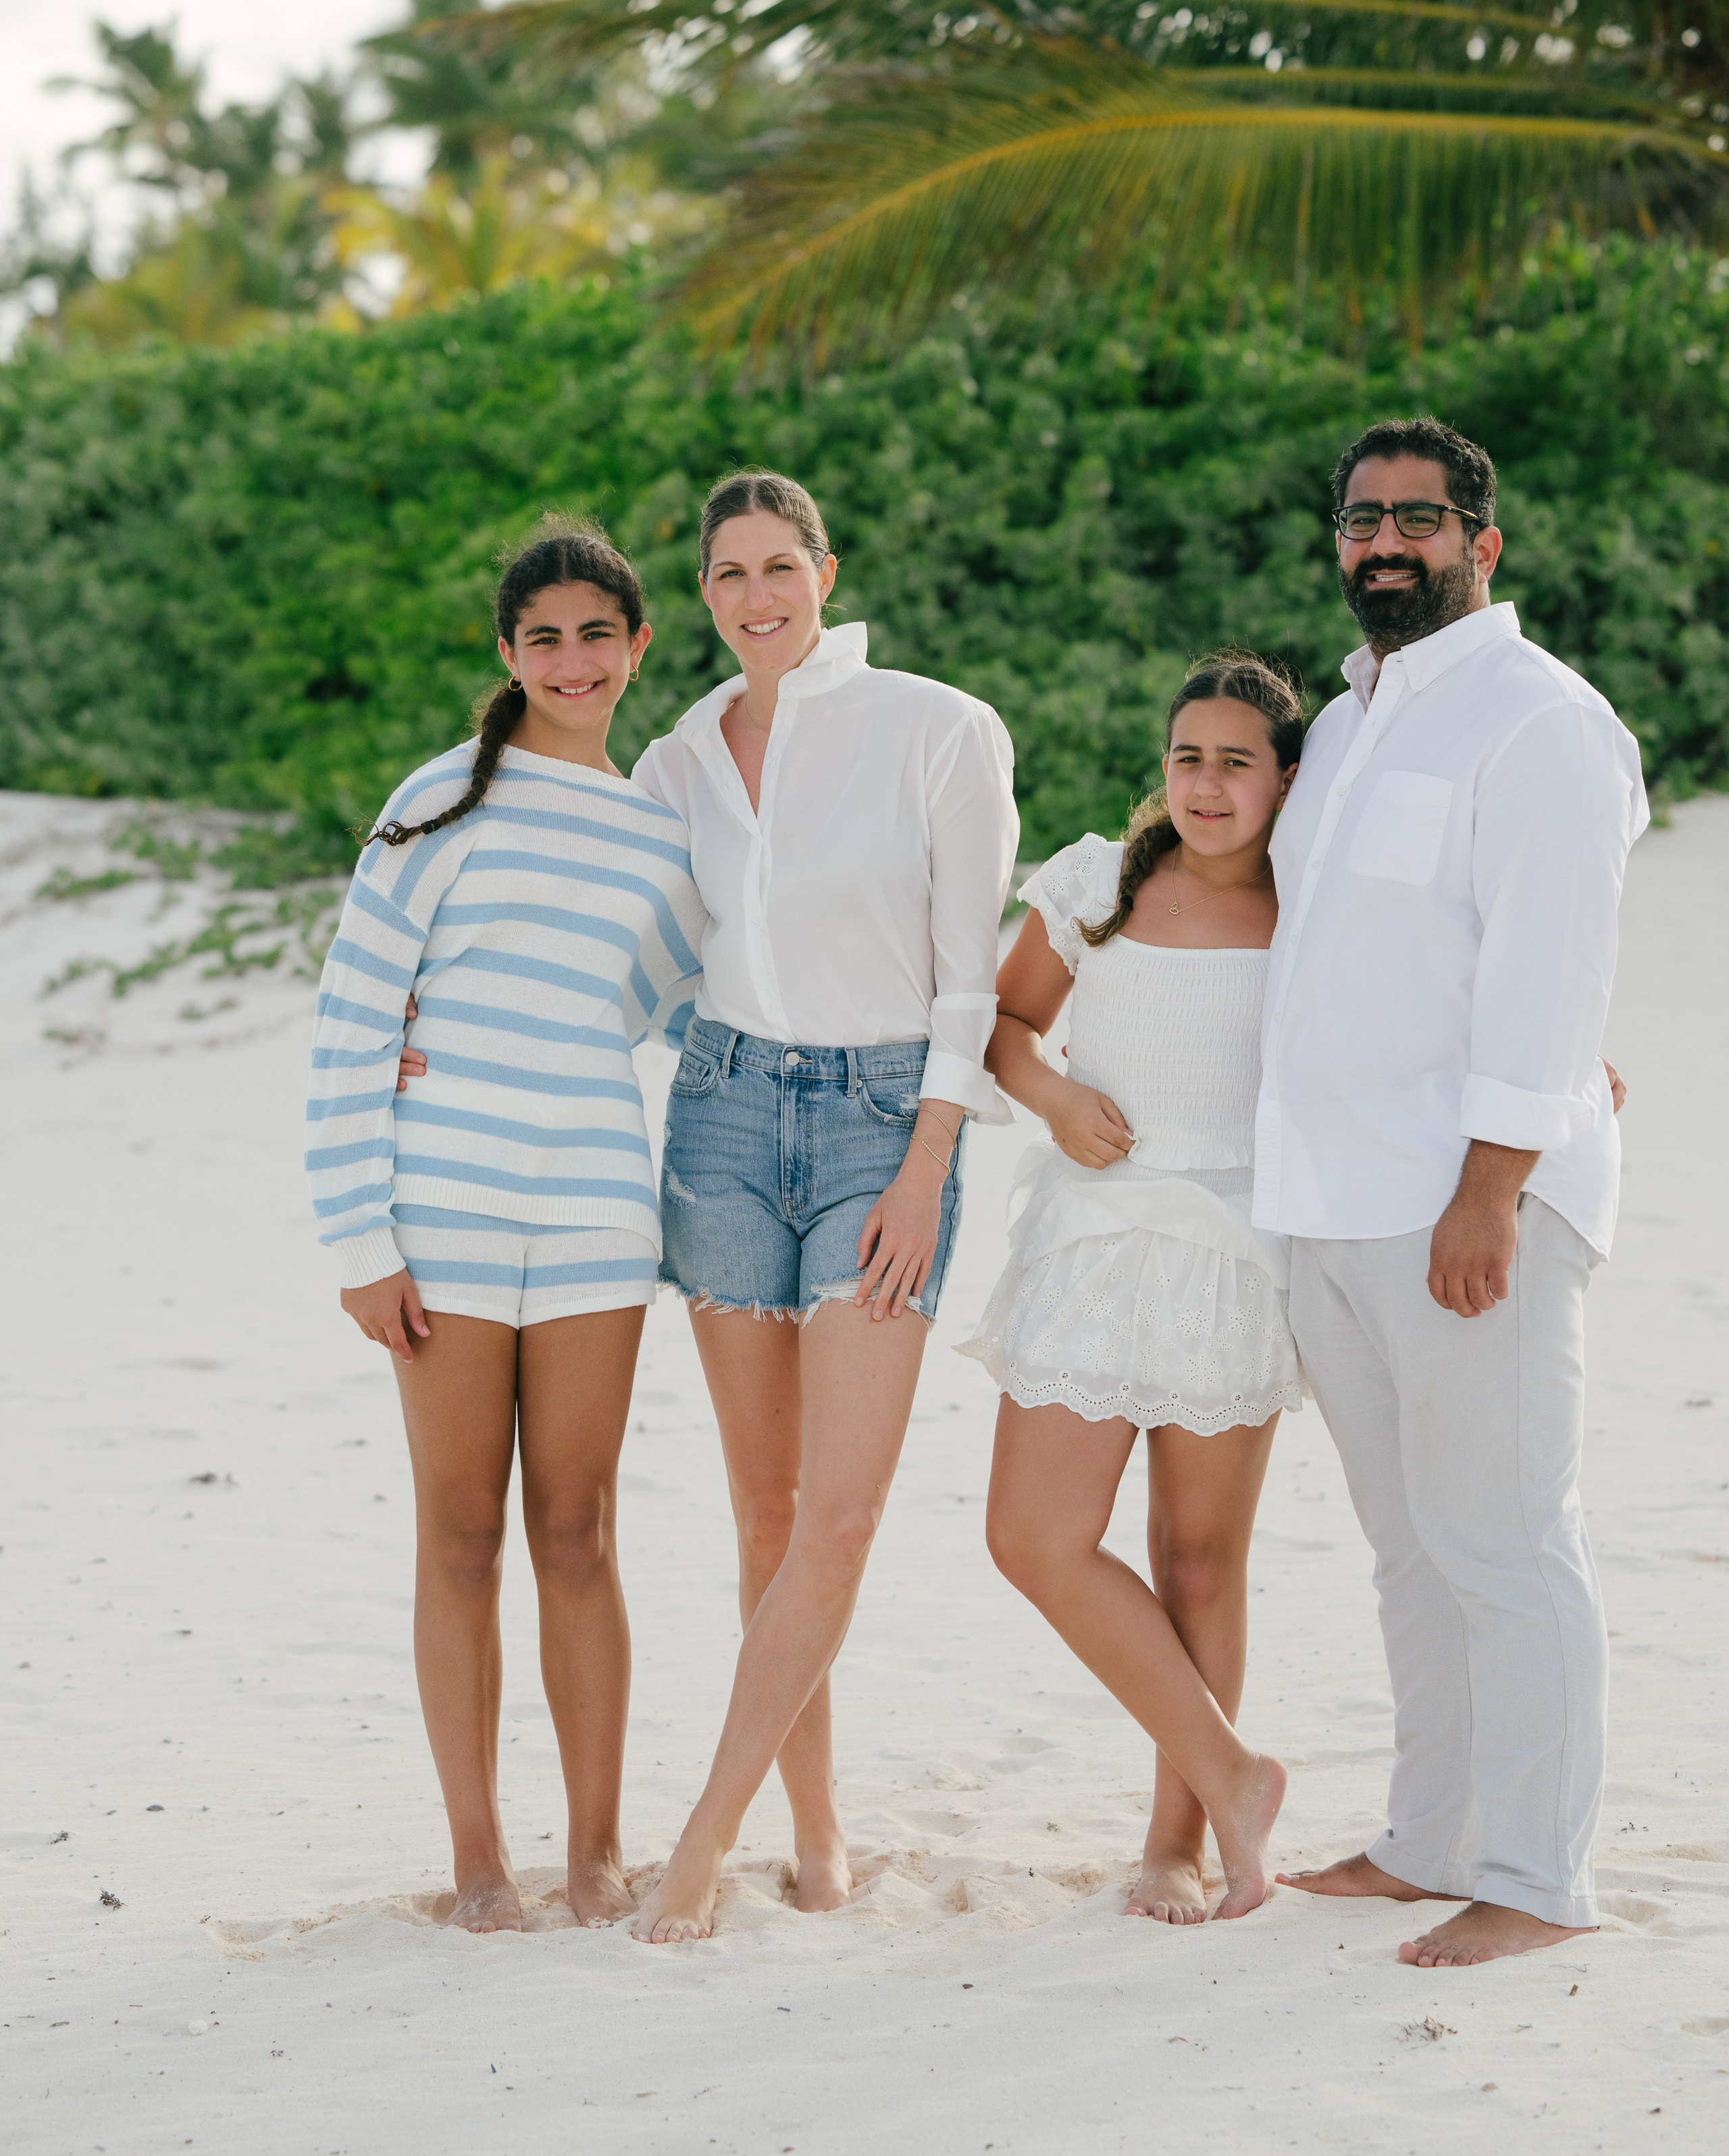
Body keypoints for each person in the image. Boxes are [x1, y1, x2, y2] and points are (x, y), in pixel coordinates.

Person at [1265, 417, 1647, 1968]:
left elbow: (1548, 973)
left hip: (1462, 1205)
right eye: (1359, 521)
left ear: (1482, 545)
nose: (1381, 545)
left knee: (1503, 1538)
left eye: (1415, 521)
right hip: (1332, 1203)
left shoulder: (1539, 718)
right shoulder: (1351, 718)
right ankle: (1429, 1837)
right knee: (1410, 1549)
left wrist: (1489, 1190)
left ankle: (1536, 1876)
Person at [625, 470, 1018, 1943]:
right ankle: (814, 1825)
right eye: (726, 575)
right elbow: (639, 953)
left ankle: (702, 1832)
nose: (754, 596)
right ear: (703, 596)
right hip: (720, 1115)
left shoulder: (936, 727)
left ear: (825, 570)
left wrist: (927, 1163)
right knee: (764, 1507)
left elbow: (967, 979)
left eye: (777, 565)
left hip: (878, 1126)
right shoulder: (677, 758)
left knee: (838, 1514)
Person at [305, 519, 704, 1934]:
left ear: (638, 647)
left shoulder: (665, 833)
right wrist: (361, 1237)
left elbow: (662, 1005)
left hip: (597, 1205)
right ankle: (480, 1862)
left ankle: (595, 1852)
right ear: (507, 652)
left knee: (578, 1529)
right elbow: (354, 1019)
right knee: (461, 1530)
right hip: (442, 1213)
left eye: (598, 634)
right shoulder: (434, 805)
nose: (573, 659)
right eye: (543, 637)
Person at [961, 655, 1301, 1924]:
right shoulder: (1097, 881)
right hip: (1096, 1234)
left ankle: (1184, 1841)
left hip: (1237, 1243)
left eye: (1238, 760)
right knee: (1032, 1535)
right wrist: (1052, 1098)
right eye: (1188, 757)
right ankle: (1233, 1771)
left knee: (1201, 1560)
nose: (1207, 785)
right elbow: (1005, 1029)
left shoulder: (1311, 905)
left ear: (1285, 779)